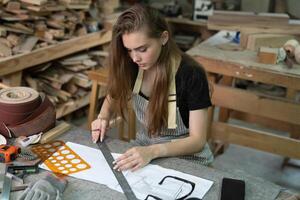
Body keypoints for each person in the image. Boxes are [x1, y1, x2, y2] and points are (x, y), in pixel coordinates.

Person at [91, 4, 213, 172]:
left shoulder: (191, 73)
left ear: (163, 38)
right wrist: (102, 116)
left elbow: (197, 141)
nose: (135, 58)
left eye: (142, 49)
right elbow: (113, 94)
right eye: (129, 50)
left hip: (186, 153)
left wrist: (153, 152)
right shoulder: (132, 65)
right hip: (147, 144)